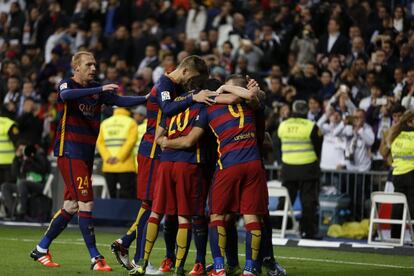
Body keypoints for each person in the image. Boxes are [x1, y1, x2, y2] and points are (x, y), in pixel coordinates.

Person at [30, 51, 148, 271]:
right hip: (70, 151)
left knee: (71, 205)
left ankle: (41, 248)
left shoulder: (97, 91)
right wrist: (100, 89)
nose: (93, 68)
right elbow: (65, 97)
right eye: (88, 64)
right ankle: (96, 258)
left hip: (84, 154)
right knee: (86, 203)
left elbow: (121, 100)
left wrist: (146, 98)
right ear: (76, 67)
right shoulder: (68, 85)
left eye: (95, 64)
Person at [152, 75, 268, 276]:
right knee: (252, 217)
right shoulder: (252, 104)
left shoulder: (209, 107)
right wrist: (248, 90)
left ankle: (219, 267)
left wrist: (165, 142)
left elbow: (191, 139)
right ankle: (250, 269)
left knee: (217, 216)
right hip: (254, 164)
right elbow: (255, 97)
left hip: (228, 165)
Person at [111, 55, 214, 273]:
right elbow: (167, 109)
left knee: (158, 206)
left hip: (164, 153)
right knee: (151, 205)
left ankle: (126, 243)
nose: (191, 84)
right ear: (185, 71)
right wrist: (194, 97)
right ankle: (139, 259)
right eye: (193, 78)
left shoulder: (174, 87)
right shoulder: (165, 85)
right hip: (153, 151)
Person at [276, 100, 323, 239]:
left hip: (288, 169)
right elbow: (318, 148)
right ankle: (308, 231)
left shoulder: (283, 125)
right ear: (306, 110)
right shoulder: (311, 126)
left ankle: (280, 226)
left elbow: (276, 145)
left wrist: (281, 162)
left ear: (293, 110)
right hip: (308, 169)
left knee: (285, 199)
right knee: (308, 201)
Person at [96, 107, 138, 198]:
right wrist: (119, 157)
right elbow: (130, 142)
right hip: (126, 166)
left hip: (108, 166)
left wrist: (107, 157)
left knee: (112, 196)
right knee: (127, 197)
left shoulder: (105, 123)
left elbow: (99, 142)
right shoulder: (131, 122)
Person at [1, 142, 49, 219]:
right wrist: (17, 158)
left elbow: (43, 169)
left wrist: (31, 158)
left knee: (22, 183)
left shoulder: (39, 156)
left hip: (38, 185)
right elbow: (14, 173)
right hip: (22, 186)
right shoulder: (22, 160)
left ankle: (22, 211)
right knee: (5, 186)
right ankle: (13, 213)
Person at [386, 111, 414, 239]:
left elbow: (387, 153)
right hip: (411, 174)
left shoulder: (395, 135)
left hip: (397, 174)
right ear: (410, 121)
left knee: (398, 207)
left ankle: (395, 238)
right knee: (413, 207)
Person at [0, 111, 19, 185]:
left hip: (9, 164)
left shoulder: (8, 124)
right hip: (9, 162)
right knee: (9, 189)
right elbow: (17, 140)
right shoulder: (9, 123)